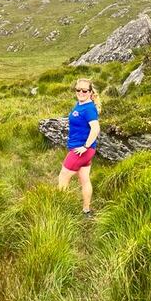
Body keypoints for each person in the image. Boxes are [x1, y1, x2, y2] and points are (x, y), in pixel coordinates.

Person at [57, 78, 100, 217]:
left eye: (84, 90)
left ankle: (59, 209)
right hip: (82, 150)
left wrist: (85, 146)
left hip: (81, 150)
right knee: (84, 178)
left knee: (63, 176)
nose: (81, 92)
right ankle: (86, 211)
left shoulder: (89, 109)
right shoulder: (80, 104)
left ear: (90, 92)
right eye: (78, 90)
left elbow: (96, 128)